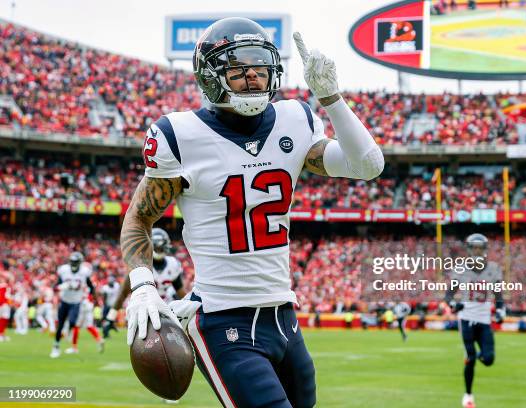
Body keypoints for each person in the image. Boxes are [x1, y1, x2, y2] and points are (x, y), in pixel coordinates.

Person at [119, 17, 384, 408]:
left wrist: (332, 98)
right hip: (223, 319)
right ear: (210, 76)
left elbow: (368, 165)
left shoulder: (296, 119)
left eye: (260, 68)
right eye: (239, 70)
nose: (254, 79)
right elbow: (139, 219)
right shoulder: (179, 134)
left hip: (284, 316)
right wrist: (142, 285)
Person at [445, 234, 505, 408]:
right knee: (470, 358)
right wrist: (454, 305)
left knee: (488, 359)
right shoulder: (461, 269)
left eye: (480, 247)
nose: (477, 251)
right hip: (467, 319)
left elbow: (499, 296)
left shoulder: (493, 269)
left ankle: (476, 357)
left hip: (484, 320)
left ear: (484, 249)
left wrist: (501, 310)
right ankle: (468, 395)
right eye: (474, 247)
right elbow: (448, 295)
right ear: (469, 249)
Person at [50, 252, 96, 358]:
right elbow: (55, 287)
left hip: (76, 302)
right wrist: (62, 286)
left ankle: (68, 331)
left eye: (76, 262)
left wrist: (90, 296)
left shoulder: (84, 272)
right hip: (65, 301)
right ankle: (56, 346)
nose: (74, 264)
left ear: (80, 263)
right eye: (73, 261)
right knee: (60, 325)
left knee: (72, 322)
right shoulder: (64, 270)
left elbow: (91, 287)